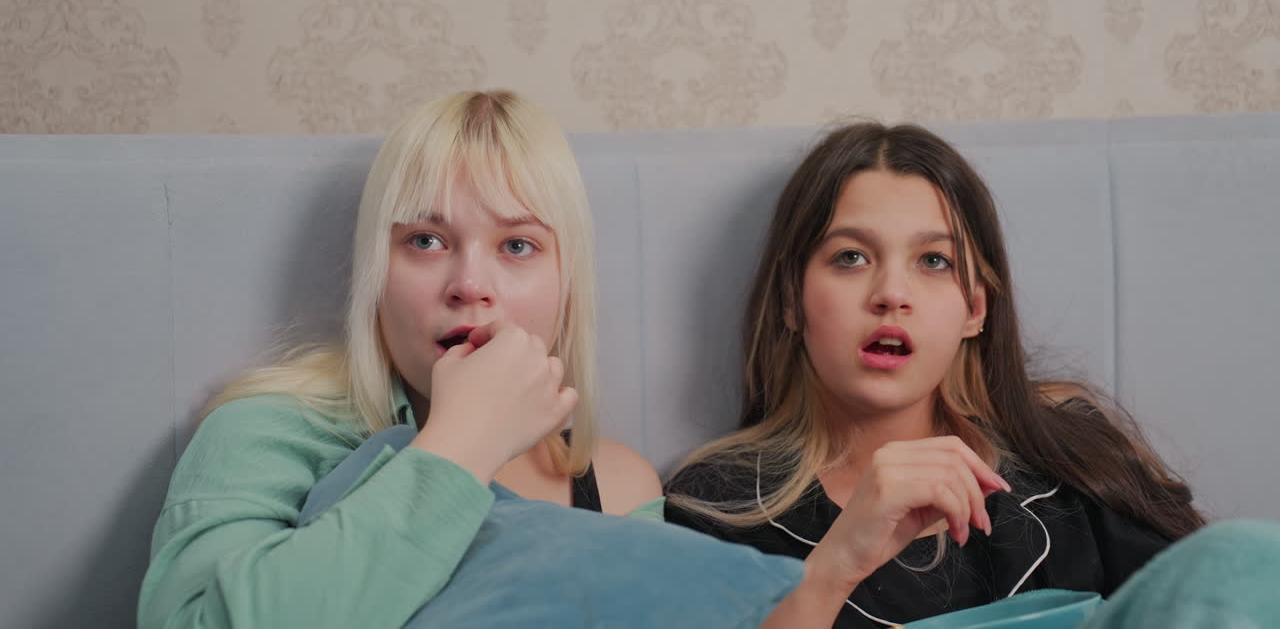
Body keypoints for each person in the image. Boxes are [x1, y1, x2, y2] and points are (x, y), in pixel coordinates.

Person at [138, 90, 663, 629]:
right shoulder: (263, 434)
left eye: (517, 246)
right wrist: (465, 444)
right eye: (426, 240)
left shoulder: (620, 486)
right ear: (374, 273)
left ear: (567, 285)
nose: (470, 285)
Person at [665, 121, 1204, 628]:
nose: (891, 294)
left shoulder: (1078, 463)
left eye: (934, 261)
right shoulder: (714, 508)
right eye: (851, 257)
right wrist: (836, 563)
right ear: (791, 301)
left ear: (975, 308)